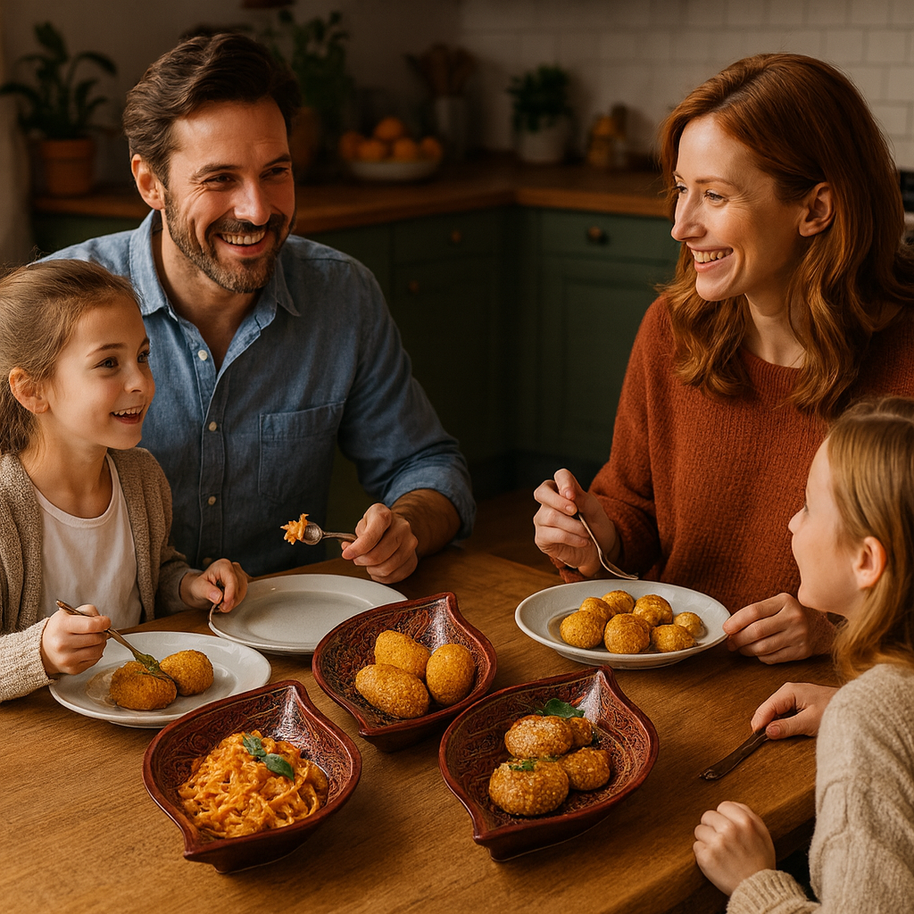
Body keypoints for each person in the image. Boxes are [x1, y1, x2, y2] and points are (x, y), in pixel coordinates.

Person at [44, 31, 474, 584]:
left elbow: (429, 466)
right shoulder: (54, 308)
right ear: (151, 182)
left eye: (276, 171)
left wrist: (406, 528)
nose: (257, 210)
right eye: (220, 178)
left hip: (286, 632)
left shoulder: (343, 296)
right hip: (108, 647)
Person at [533, 53, 914, 663]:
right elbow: (633, 508)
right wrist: (598, 536)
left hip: (830, 700)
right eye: (681, 190)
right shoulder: (672, 330)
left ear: (815, 209)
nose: (681, 225)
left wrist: (838, 631)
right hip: (674, 677)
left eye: (714, 195)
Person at [692, 396, 914, 910]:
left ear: (866, 560)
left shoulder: (867, 722)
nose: (793, 522)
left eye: (810, 507)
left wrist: (756, 884)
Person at [0, 260, 247, 703]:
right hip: (42, 744)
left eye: (143, 356)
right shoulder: (4, 507)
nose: (141, 382)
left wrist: (188, 585)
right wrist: (38, 651)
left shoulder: (141, 476)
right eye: (109, 363)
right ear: (32, 390)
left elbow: (153, 574)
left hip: (141, 716)